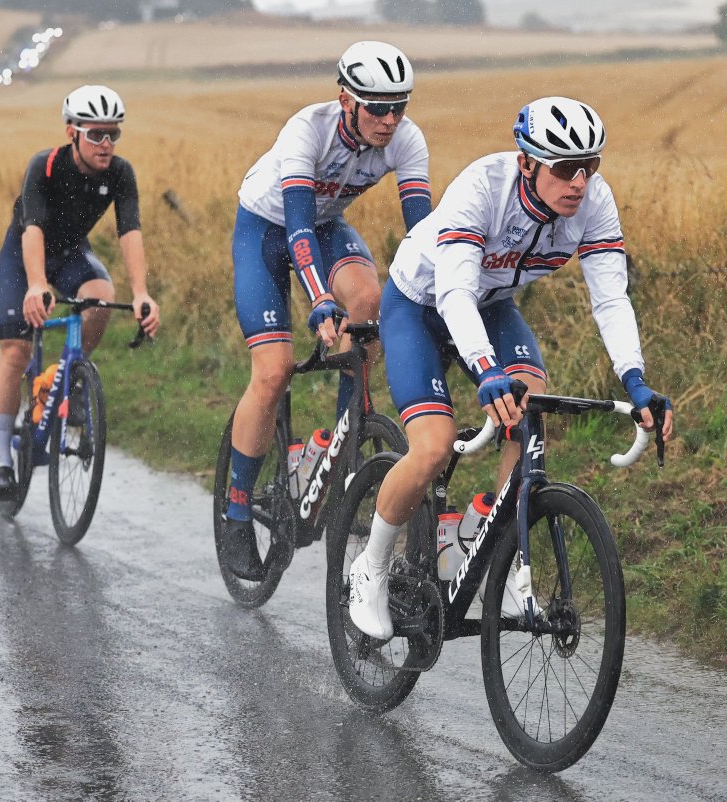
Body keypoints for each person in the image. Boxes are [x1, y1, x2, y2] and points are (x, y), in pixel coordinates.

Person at [347, 96, 675, 639]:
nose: (579, 182)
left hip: (493, 306)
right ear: (526, 163)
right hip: (421, 305)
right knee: (432, 445)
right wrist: (486, 372)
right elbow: (454, 294)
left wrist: (635, 381)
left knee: (531, 410)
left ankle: (488, 537)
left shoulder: (594, 203)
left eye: (590, 166)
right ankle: (372, 566)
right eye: (565, 169)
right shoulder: (483, 188)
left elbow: (611, 298)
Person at [220, 41, 431, 580]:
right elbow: (296, 228)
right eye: (378, 108)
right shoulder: (306, 131)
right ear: (346, 101)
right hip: (267, 230)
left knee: (369, 302)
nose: (390, 120)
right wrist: (318, 299)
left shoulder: (406, 140)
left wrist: (435, 301)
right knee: (273, 371)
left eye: (399, 106)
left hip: (327, 227)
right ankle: (236, 511)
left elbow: (421, 237)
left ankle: (346, 438)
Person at [0, 84, 161, 500]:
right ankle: (1, 458)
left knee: (101, 296)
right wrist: (36, 284)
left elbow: (130, 232)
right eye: (96, 134)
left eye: (113, 134)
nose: (106, 144)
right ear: (72, 133)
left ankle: (68, 380)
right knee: (15, 352)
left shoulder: (120, 173)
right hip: (24, 253)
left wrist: (141, 293)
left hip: (70, 253)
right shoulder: (45, 166)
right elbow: (32, 229)